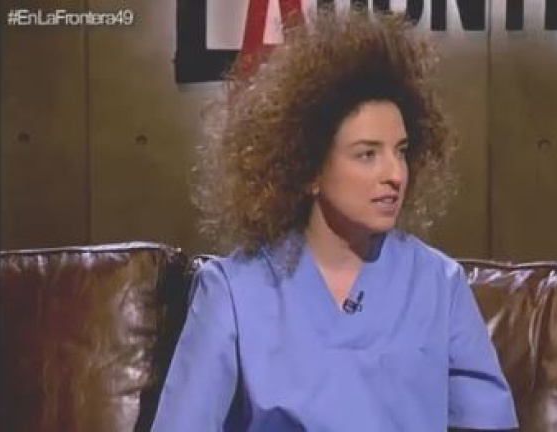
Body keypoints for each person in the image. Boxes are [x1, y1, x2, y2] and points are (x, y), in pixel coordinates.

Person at [151, 6, 518, 432]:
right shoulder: (232, 292)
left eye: (400, 151)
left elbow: (487, 421)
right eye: (367, 154)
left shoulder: (439, 283)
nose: (395, 174)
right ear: (309, 169)